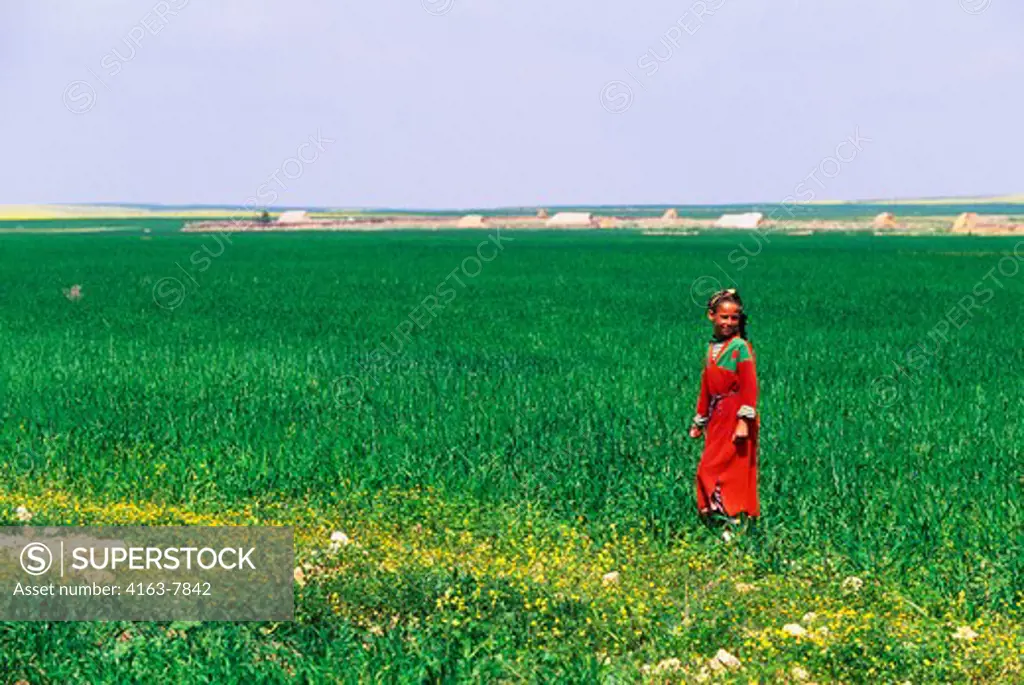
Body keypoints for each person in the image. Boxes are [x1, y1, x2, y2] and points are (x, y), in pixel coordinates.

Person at [688, 288, 760, 523]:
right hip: (718, 416)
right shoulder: (711, 349)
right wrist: (700, 420)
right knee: (711, 466)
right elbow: (706, 388)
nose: (729, 322)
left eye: (734, 318)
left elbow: (749, 385)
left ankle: (730, 515)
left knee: (727, 468)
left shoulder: (740, 348)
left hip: (735, 414)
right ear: (712, 316)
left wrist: (743, 421)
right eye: (724, 317)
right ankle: (717, 515)